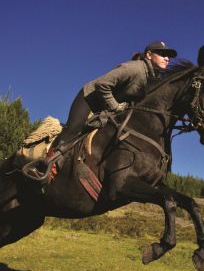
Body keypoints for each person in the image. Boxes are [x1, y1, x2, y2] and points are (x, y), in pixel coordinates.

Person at [26, 41, 177, 182]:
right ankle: (45, 167)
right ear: (149, 55)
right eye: (162, 54)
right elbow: (102, 84)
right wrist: (115, 107)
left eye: (168, 56)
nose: (167, 58)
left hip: (106, 107)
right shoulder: (133, 68)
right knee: (74, 129)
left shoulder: (153, 78)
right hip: (89, 99)